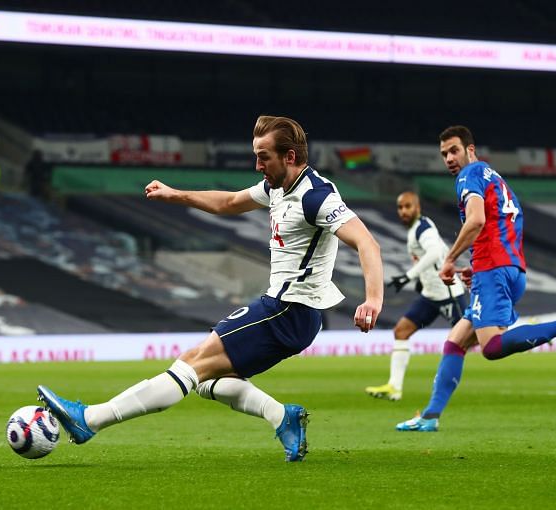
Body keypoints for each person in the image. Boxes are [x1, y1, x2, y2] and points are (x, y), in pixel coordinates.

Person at [37, 115, 384, 461]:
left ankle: (90, 420)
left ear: (289, 157)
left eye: (264, 156)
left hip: (288, 310)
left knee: (189, 365)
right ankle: (283, 417)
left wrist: (372, 300)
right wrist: (175, 195)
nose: (257, 164)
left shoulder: (315, 197)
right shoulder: (278, 188)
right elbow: (230, 203)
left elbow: (367, 243)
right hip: (288, 312)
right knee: (205, 381)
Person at [396, 125, 556, 432]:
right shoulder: (494, 178)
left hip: (493, 269)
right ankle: (430, 416)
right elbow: (499, 224)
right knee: (455, 341)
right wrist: (482, 268)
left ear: (471, 150)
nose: (449, 158)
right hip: (507, 267)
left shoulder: (468, 176)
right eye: (444, 154)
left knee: (492, 347)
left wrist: (450, 259)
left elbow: (477, 220)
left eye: (454, 150)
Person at [365, 191, 467, 401]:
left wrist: (409, 276)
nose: (403, 211)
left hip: (449, 295)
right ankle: (394, 387)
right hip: (431, 296)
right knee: (401, 331)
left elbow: (435, 253)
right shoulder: (416, 229)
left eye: (408, 206)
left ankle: (520, 328)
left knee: (480, 340)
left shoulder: (423, 228)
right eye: (400, 207)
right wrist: (422, 281)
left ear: (417, 208)